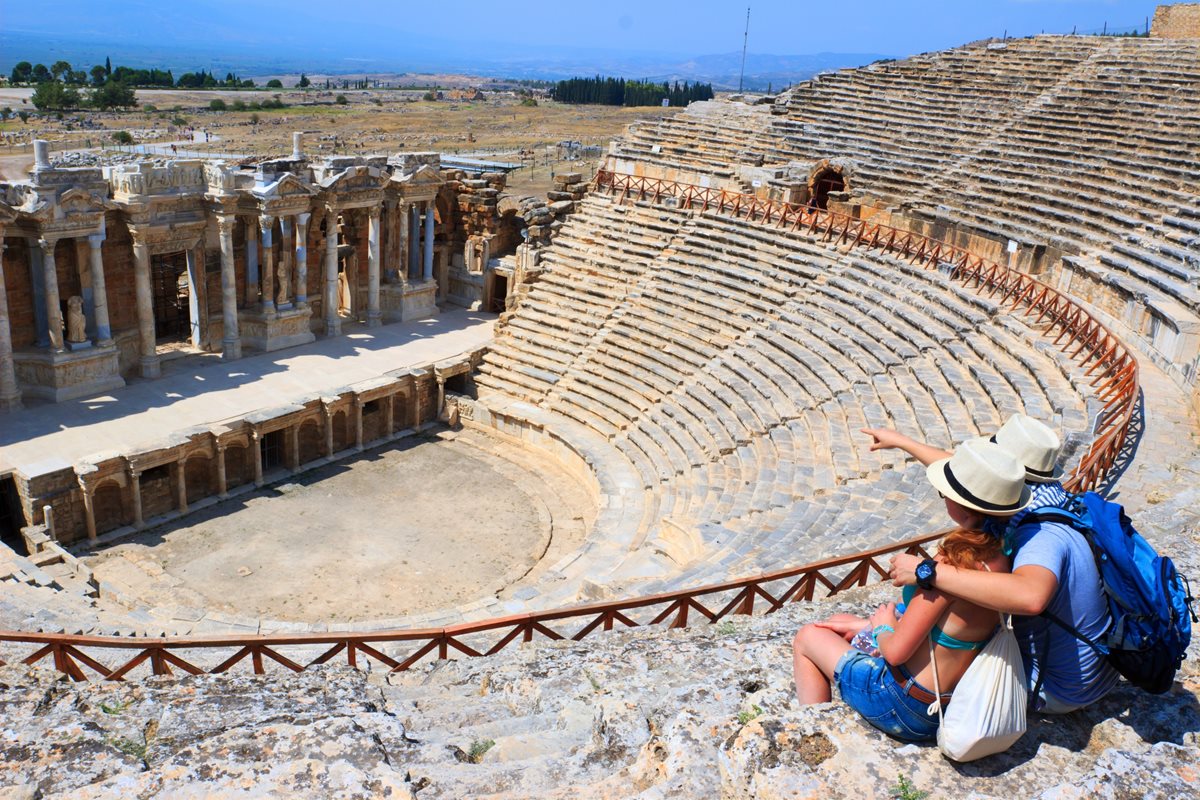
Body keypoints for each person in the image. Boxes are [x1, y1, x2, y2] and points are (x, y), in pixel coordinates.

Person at [873, 416, 1120, 713]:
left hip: (1058, 686)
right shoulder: (1053, 502)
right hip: (1094, 669)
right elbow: (965, 478)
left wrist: (930, 572)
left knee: (938, 627)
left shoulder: (1038, 531)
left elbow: (1031, 597)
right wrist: (903, 442)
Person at [792, 439, 1024, 742]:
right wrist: (865, 625)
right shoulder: (1005, 550)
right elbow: (946, 629)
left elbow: (896, 651)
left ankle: (810, 736)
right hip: (947, 700)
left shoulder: (952, 565)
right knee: (842, 620)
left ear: (964, 510)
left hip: (902, 705)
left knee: (808, 637)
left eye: (945, 493)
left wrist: (882, 627)